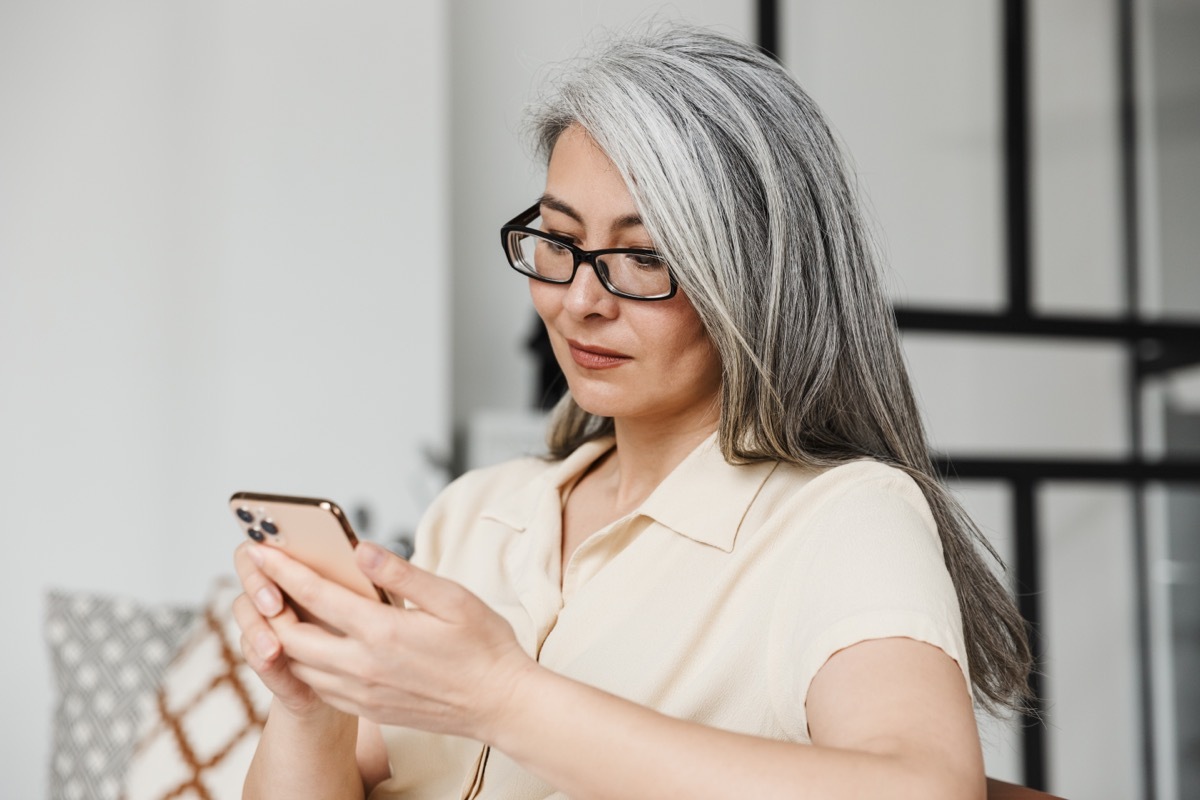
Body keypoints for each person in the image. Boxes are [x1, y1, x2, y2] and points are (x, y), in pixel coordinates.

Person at [232, 23, 1031, 800]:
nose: (580, 301)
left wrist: (501, 696)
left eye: (644, 256)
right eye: (558, 241)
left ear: (757, 279)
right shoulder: (480, 514)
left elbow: (924, 789)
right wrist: (313, 707)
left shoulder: (840, 519)